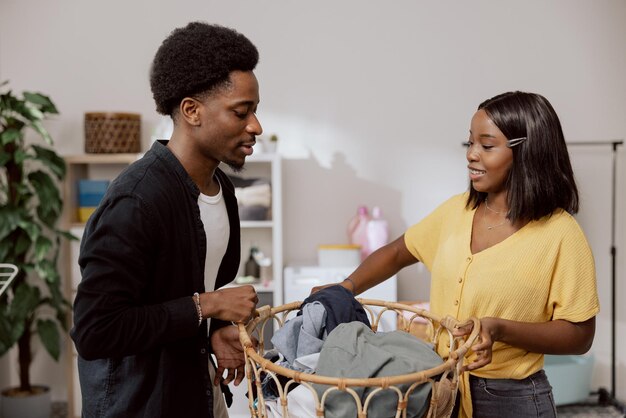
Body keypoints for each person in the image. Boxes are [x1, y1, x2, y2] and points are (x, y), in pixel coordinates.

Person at [316, 91, 599, 417]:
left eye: (487, 145)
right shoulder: (455, 212)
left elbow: (579, 335)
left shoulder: (561, 234)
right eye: (470, 144)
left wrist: (501, 329)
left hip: (514, 401)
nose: (472, 155)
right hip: (442, 390)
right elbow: (397, 252)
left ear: (528, 152)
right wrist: (344, 288)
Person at [70, 22, 262, 418]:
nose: (255, 127)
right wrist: (207, 306)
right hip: (137, 405)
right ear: (192, 111)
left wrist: (214, 332)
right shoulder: (136, 200)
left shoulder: (222, 190)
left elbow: (187, 288)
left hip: (196, 391)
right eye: (241, 112)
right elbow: (96, 330)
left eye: (255, 111)